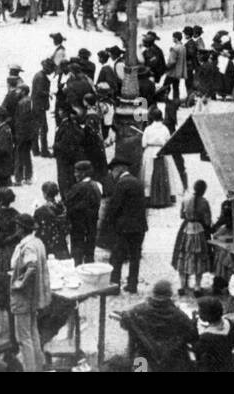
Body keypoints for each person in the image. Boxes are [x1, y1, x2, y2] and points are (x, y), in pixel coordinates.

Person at [120, 278, 198, 372]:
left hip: (142, 360)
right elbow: (193, 336)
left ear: (153, 293)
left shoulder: (137, 311)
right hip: (172, 362)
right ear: (170, 295)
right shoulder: (178, 315)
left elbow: (124, 323)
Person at [9, 212, 51, 373]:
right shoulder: (37, 242)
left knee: (23, 337)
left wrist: (19, 283)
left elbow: (31, 266)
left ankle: (30, 369)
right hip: (33, 294)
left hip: (23, 294)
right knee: (33, 333)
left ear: (20, 228)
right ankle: (38, 366)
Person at [102, 160, 148, 295]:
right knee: (135, 257)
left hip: (124, 228)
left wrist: (108, 222)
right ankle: (132, 285)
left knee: (117, 257)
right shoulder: (137, 182)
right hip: (139, 227)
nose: (113, 174)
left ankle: (114, 286)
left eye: (113, 171)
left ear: (120, 169)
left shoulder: (121, 184)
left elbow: (114, 206)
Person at [172, 180, 212, 295]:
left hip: (186, 229)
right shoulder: (204, 202)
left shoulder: (185, 199)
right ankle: (197, 286)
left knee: (183, 255)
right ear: (203, 190)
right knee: (198, 256)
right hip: (199, 230)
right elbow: (208, 221)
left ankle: (183, 285)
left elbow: (181, 215)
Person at [65, 160, 102, 265]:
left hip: (78, 225)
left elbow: (68, 204)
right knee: (90, 250)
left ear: (83, 173)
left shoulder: (77, 187)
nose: (75, 175)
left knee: (77, 252)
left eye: (76, 172)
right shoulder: (97, 185)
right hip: (92, 223)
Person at [142, 108, 173, 208]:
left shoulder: (148, 129)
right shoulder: (165, 129)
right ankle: (163, 198)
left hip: (150, 152)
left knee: (148, 174)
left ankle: (149, 197)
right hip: (161, 151)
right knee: (164, 174)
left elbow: (143, 144)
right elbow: (168, 142)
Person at [194, 295, 234, 372]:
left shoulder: (205, 339)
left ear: (206, 315)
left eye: (200, 310)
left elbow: (197, 354)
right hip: (227, 363)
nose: (198, 311)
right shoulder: (229, 323)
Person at [33, 182, 69, 260]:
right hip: (60, 242)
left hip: (45, 242)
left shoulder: (40, 210)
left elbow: (35, 227)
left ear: (45, 194)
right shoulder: (63, 207)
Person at [12, 84, 35, 186]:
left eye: (19, 90)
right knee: (27, 155)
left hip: (22, 133)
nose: (17, 92)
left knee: (19, 155)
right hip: (29, 133)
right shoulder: (30, 100)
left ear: (24, 92)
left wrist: (17, 134)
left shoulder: (22, 103)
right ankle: (28, 177)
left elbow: (21, 120)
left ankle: (18, 178)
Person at [30, 61, 53, 159]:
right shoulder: (41, 77)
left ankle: (35, 150)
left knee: (36, 127)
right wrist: (48, 93)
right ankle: (44, 151)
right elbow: (39, 91)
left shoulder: (39, 75)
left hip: (36, 105)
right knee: (44, 129)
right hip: (39, 106)